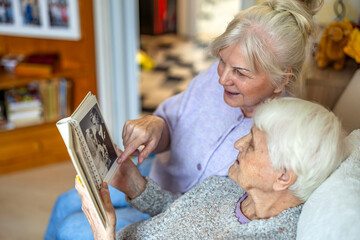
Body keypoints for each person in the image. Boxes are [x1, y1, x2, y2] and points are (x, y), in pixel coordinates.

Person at [44, 0, 324, 239]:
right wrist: (156, 126)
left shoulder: (285, 135)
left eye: (240, 72)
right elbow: (171, 122)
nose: (222, 78)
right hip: (154, 179)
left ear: (281, 80)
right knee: (62, 204)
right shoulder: (211, 82)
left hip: (175, 216)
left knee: (72, 227)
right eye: (222, 61)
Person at [76, 97, 348, 239]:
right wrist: (135, 184)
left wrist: (104, 232)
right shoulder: (233, 189)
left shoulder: (267, 235)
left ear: (284, 176)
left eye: (252, 143)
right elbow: (187, 212)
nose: (239, 143)